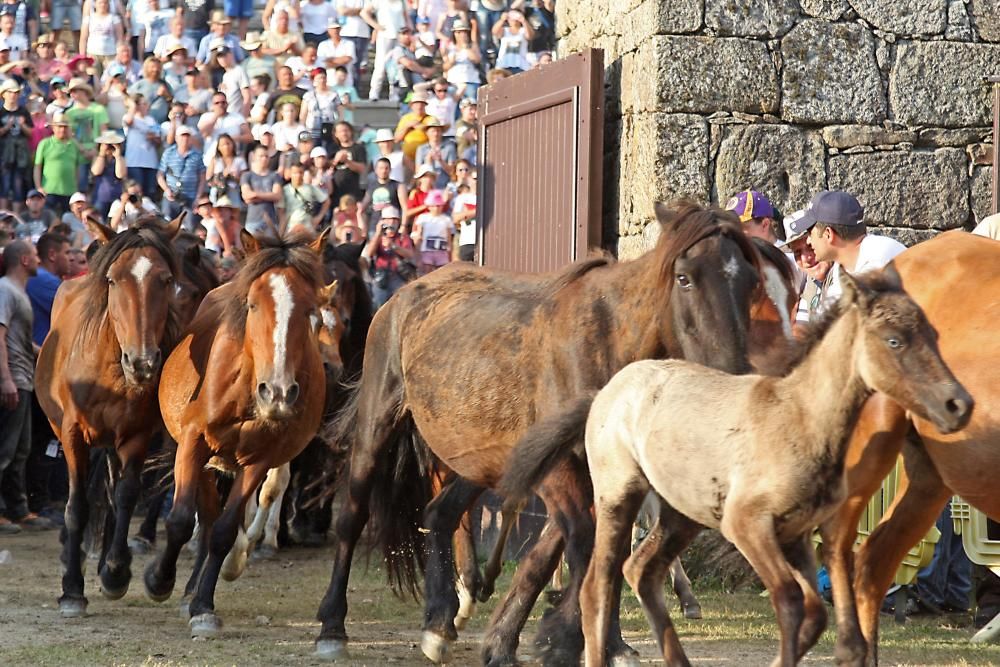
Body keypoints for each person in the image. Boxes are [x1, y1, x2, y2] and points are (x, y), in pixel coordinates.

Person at [0, 239, 49, 534]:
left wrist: (44, 352)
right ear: (24, 260)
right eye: (34, 255)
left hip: (23, 378)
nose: (39, 260)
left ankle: (19, 510)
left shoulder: (17, 291)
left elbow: (18, 339)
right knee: (5, 449)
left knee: (20, 449)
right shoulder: (5, 290)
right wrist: (5, 379)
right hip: (12, 379)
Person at [797, 190, 907, 306]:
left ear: (828, 234)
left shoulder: (880, 261)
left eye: (810, 233)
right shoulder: (840, 268)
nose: (808, 240)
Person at [364, 206, 415, 307]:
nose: (391, 222)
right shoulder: (377, 237)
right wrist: (378, 233)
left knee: (400, 304)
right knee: (379, 304)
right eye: (388, 219)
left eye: (394, 220)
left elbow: (410, 254)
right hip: (380, 275)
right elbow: (369, 253)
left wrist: (394, 246)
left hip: (398, 275)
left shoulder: (402, 237)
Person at [33, 113, 83, 216]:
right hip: (49, 190)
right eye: (59, 126)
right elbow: (37, 167)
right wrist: (39, 187)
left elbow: (77, 168)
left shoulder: (73, 145)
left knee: (68, 220)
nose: (62, 130)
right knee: (48, 218)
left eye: (65, 127)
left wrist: (76, 187)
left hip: (69, 190)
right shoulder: (45, 143)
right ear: (53, 128)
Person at [363, 0, 410, 101]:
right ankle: (374, 93)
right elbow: (364, 13)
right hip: (385, 36)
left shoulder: (402, 1)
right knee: (380, 65)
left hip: (399, 36)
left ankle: (394, 94)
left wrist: (410, 32)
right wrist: (376, 26)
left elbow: (406, 17)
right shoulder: (379, 2)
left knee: (397, 67)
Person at [157, 124, 205, 218]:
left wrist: (198, 197)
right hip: (171, 196)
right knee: (167, 223)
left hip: (190, 197)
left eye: (187, 136)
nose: (185, 139)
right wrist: (166, 190)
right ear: (176, 138)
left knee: (189, 227)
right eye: (182, 136)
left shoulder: (197, 155)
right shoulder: (168, 153)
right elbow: (160, 175)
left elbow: (202, 178)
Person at [0, 78, 31, 213]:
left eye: (16, 92)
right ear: (4, 94)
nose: (14, 95)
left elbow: (30, 133)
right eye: (11, 92)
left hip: (20, 154)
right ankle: (3, 218)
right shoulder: (1, 112)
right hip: (4, 154)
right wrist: (7, 127)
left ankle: (16, 217)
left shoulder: (23, 111)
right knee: (4, 185)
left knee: (18, 185)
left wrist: (22, 125)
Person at [122, 93, 162, 197]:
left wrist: (153, 137)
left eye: (146, 103)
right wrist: (132, 106)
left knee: (150, 193)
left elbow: (158, 140)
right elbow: (129, 121)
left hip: (150, 162)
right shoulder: (128, 116)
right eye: (143, 103)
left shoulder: (151, 120)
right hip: (134, 162)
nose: (146, 106)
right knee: (136, 193)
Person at [240, 144, 284, 239]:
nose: (264, 159)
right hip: (253, 220)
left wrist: (255, 194)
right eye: (261, 156)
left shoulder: (274, 176)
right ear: (254, 157)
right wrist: (268, 196)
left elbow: (277, 196)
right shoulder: (247, 176)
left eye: (266, 156)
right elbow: (247, 196)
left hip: (271, 221)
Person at [411, 188, 453, 274]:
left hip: (442, 250)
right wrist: (418, 254)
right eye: (434, 205)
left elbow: (449, 238)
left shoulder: (446, 219)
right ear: (429, 206)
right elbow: (419, 236)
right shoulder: (423, 218)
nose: (436, 208)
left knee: (442, 272)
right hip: (426, 250)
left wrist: (450, 253)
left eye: (439, 205)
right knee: (427, 271)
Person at [282, 161, 329, 233]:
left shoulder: (310, 188)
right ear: (290, 174)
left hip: (307, 227)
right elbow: (280, 210)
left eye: (300, 173)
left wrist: (319, 217)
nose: (298, 175)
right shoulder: (285, 190)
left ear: (303, 173)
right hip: (290, 227)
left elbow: (326, 201)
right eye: (295, 173)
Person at [361, 156, 407, 230]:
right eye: (381, 168)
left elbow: (405, 208)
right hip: (374, 227)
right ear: (376, 170)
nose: (384, 171)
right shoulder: (371, 186)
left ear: (390, 170)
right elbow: (363, 207)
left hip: (392, 227)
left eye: (386, 168)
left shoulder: (398, 185)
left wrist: (403, 225)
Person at [80, 0, 124, 72]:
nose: (103, 5)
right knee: (94, 76)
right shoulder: (88, 19)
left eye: (105, 3)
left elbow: (120, 38)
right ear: (95, 4)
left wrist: (118, 54)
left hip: (111, 54)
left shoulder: (114, 18)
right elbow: (83, 39)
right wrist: (82, 56)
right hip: (92, 54)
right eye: (100, 3)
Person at [90, 131, 127, 217]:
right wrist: (102, 154)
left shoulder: (121, 159)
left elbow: (120, 175)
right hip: (100, 196)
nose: (109, 147)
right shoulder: (97, 157)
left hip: (117, 196)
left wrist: (117, 156)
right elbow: (96, 171)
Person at [205, 133, 246, 208]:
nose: (226, 147)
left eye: (228, 143)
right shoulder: (215, 160)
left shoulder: (239, 160)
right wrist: (221, 176)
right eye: (223, 145)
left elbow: (244, 179)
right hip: (218, 193)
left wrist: (236, 177)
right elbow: (208, 179)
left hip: (233, 192)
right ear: (218, 147)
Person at [331, 120, 368, 202]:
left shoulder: (358, 148)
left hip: (353, 192)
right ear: (336, 134)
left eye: (346, 130)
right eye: (340, 131)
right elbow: (326, 167)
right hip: (336, 193)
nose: (344, 133)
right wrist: (336, 160)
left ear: (351, 131)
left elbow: (362, 168)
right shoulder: (332, 148)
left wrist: (347, 161)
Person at [442, 20, 480, 100]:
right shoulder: (449, 47)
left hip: (470, 81)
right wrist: (451, 62)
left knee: (471, 105)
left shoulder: (472, 45)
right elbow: (444, 67)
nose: (460, 35)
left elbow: (477, 60)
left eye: (463, 32)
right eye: (458, 32)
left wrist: (465, 47)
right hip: (453, 82)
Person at [415, 116, 456, 189]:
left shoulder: (449, 147)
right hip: (426, 187)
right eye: (433, 131)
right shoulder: (421, 149)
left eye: (438, 131)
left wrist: (440, 161)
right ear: (427, 133)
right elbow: (418, 171)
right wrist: (428, 162)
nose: (436, 134)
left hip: (444, 186)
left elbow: (452, 172)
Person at [316, 17, 357, 87]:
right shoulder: (323, 44)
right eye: (332, 29)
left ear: (340, 29)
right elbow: (322, 63)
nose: (335, 31)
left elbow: (348, 59)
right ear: (328, 30)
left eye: (337, 28)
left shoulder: (349, 43)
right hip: (329, 81)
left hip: (346, 80)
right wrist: (340, 61)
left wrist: (330, 60)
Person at [394, 90, 433, 162]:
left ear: (425, 105)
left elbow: (436, 138)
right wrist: (407, 126)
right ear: (411, 105)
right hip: (408, 159)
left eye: (421, 104)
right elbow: (397, 139)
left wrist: (424, 128)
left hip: (425, 157)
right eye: (416, 104)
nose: (419, 106)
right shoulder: (405, 118)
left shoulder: (431, 119)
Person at [492, 9, 532, 74]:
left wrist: (523, 20)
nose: (513, 19)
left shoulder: (523, 30)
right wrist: (502, 20)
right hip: (503, 66)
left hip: (520, 66)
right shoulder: (505, 30)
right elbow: (494, 32)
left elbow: (530, 36)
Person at [452, 170, 476, 261]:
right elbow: (455, 218)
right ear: (469, 179)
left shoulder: (490, 198)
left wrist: (467, 213)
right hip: (468, 240)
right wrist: (477, 211)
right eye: (474, 178)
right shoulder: (462, 198)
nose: (477, 181)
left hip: (487, 243)